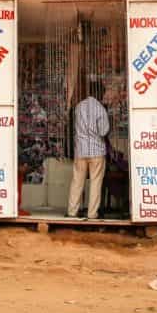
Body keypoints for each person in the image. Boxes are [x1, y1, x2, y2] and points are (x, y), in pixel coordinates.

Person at [67, 80, 110, 220]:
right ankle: (92, 214)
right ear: (99, 92)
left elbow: (75, 128)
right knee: (96, 182)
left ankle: (72, 212)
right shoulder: (100, 109)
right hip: (97, 152)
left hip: (80, 150)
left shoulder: (79, 107)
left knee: (77, 181)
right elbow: (104, 131)